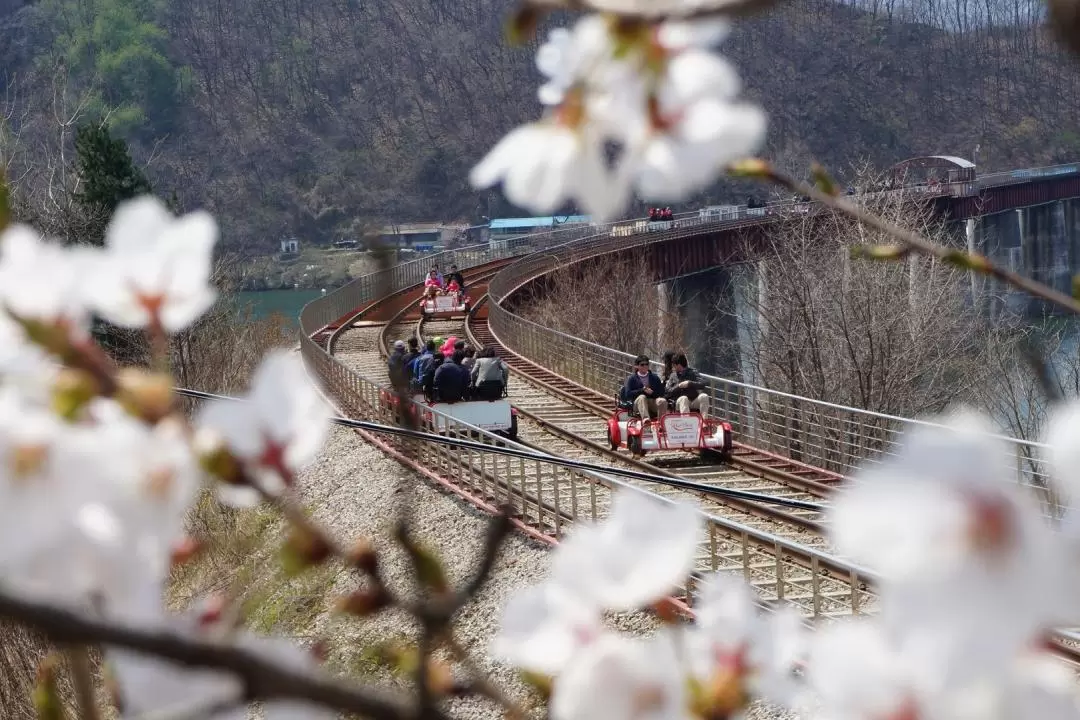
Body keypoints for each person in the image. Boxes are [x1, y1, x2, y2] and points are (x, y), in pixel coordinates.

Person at [622, 355, 666, 422]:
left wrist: (652, 393)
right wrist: (642, 390)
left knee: (662, 401)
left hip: (652, 401)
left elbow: (661, 392)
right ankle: (646, 420)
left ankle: (661, 423)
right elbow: (628, 394)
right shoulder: (632, 378)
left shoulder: (655, 378)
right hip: (638, 404)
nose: (645, 366)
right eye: (642, 365)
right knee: (642, 397)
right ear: (637, 366)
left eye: (647, 364)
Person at [665, 352, 709, 416]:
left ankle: (704, 422)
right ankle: (687, 423)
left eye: (674, 365)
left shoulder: (693, 372)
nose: (673, 367)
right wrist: (678, 386)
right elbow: (667, 392)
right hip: (679, 401)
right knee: (684, 398)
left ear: (678, 365)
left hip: (693, 400)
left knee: (704, 396)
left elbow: (704, 383)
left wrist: (690, 383)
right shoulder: (673, 375)